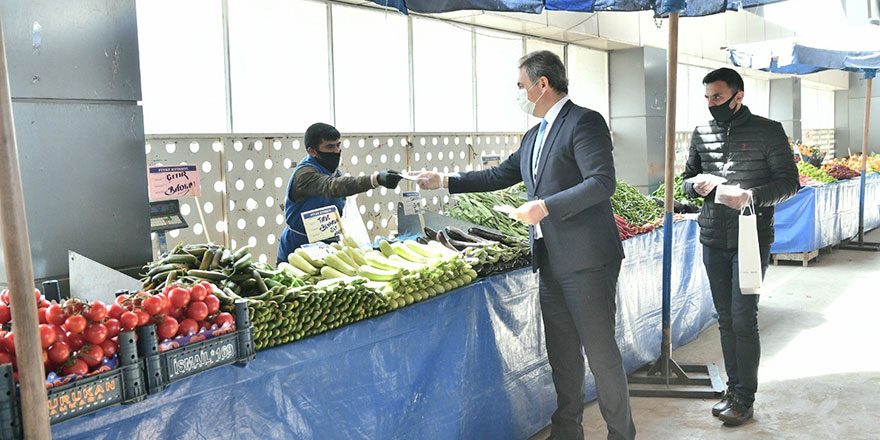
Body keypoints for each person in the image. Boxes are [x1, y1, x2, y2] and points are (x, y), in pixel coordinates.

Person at [413, 51, 635, 440]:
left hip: (588, 261)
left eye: (521, 86)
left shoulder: (584, 122)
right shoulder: (534, 135)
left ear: (542, 84)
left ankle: (621, 434)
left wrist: (545, 206)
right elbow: (500, 174)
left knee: (601, 356)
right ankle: (567, 432)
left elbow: (602, 182)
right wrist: (445, 180)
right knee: (562, 355)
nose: (519, 94)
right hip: (550, 260)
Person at [681, 68, 799, 426]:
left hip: (751, 236)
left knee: (744, 318)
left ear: (738, 96)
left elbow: (790, 182)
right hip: (713, 237)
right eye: (707, 98)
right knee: (726, 319)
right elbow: (684, 179)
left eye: (717, 97)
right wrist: (694, 186)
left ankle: (744, 398)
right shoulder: (702, 133)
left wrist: (753, 195)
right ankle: (733, 390)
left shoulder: (768, 130)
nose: (711, 104)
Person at [276, 122, 403, 264]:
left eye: (338, 145)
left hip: (327, 247)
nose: (336, 151)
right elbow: (332, 186)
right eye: (330, 146)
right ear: (312, 151)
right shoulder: (304, 175)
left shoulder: (333, 171)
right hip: (298, 248)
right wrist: (375, 179)